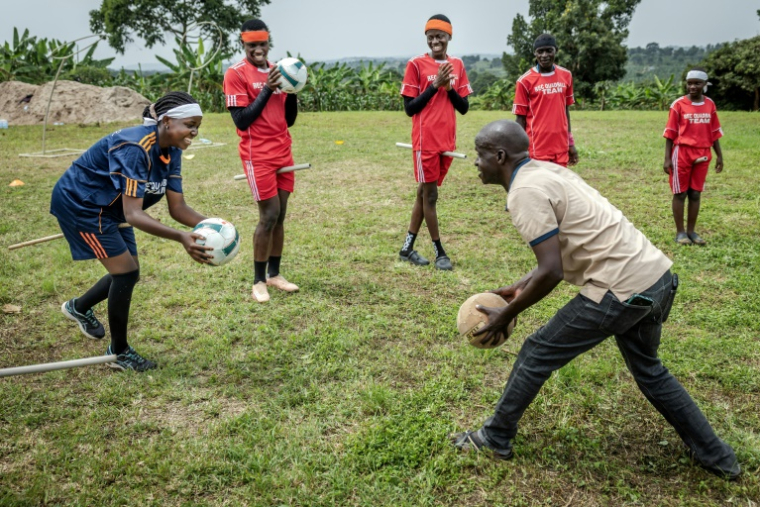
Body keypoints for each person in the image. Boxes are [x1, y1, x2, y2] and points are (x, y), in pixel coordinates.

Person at [451, 120, 741, 481]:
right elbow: (556, 253)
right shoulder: (544, 171)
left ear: (499, 155)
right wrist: (520, 286)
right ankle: (718, 456)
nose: (475, 163)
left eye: (479, 155)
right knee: (650, 372)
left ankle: (494, 438)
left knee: (537, 352)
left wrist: (505, 314)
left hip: (619, 290)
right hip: (657, 280)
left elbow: (552, 271)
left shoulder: (523, 192)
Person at [51, 91, 213, 372]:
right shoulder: (136, 146)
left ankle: (78, 307)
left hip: (112, 206)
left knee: (129, 271)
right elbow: (134, 214)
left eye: (197, 125)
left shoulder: (172, 149)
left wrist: (213, 223)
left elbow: (178, 208)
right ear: (165, 122)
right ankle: (120, 351)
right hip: (83, 203)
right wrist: (181, 237)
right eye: (189, 124)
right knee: (125, 272)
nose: (195, 132)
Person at [223, 19, 300, 303]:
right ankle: (258, 281)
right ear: (243, 44)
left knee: (280, 216)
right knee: (267, 216)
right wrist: (267, 89)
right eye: (252, 44)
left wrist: (291, 93)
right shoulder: (236, 74)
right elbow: (242, 121)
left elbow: (288, 120)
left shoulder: (280, 71)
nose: (258, 49)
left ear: (269, 43)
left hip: (284, 151)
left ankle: (275, 274)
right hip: (258, 156)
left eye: (262, 43)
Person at [397, 14, 472, 271]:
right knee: (430, 196)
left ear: (449, 36)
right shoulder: (416, 65)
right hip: (425, 142)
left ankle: (407, 248)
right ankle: (440, 252)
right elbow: (410, 108)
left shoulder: (457, 66)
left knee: (423, 193)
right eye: (430, 36)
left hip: (446, 143)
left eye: (439, 36)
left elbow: (464, 108)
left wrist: (448, 87)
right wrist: (434, 86)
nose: (435, 41)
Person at [663, 68, 723, 245]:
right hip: (682, 152)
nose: (693, 86)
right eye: (690, 83)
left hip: (703, 153)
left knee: (695, 193)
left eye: (697, 83)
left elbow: (714, 132)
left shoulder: (710, 104)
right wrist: (667, 158)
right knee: (680, 193)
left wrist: (719, 155)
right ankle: (680, 233)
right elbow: (670, 133)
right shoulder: (678, 105)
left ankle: (692, 231)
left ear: (705, 85)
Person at [512, 33, 577, 167]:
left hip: (561, 147)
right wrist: (518, 150)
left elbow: (565, 111)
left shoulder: (566, 75)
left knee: (559, 185)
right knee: (540, 186)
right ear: (535, 53)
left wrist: (570, 142)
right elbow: (520, 119)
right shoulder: (524, 81)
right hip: (537, 148)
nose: (544, 55)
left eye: (549, 50)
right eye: (540, 51)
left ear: (556, 51)